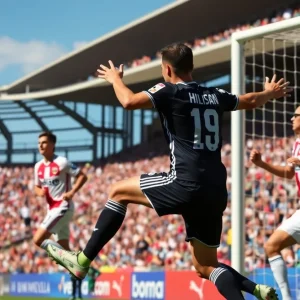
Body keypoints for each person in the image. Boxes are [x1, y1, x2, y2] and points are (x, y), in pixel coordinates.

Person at [47, 43, 291, 299]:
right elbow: (250, 100)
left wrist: (115, 80)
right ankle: (255, 289)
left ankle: (83, 260)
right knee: (206, 266)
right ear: (192, 67)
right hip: (216, 190)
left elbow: (129, 101)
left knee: (117, 191)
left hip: (185, 182)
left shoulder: (168, 90)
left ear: (167, 69)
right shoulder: (213, 94)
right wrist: (269, 93)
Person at [250, 107, 300, 300]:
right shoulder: (297, 143)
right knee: (271, 245)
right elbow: (289, 173)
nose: (291, 118)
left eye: (296, 115)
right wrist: (262, 164)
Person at [33, 131, 87, 300]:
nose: (40, 145)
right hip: (52, 210)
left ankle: (77, 264)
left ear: (52, 145)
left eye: (44, 142)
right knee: (66, 253)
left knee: (37, 240)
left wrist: (72, 192)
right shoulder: (38, 167)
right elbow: (36, 187)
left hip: (63, 207)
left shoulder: (62, 162)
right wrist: (39, 192)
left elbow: (82, 176)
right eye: (39, 143)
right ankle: (78, 284)